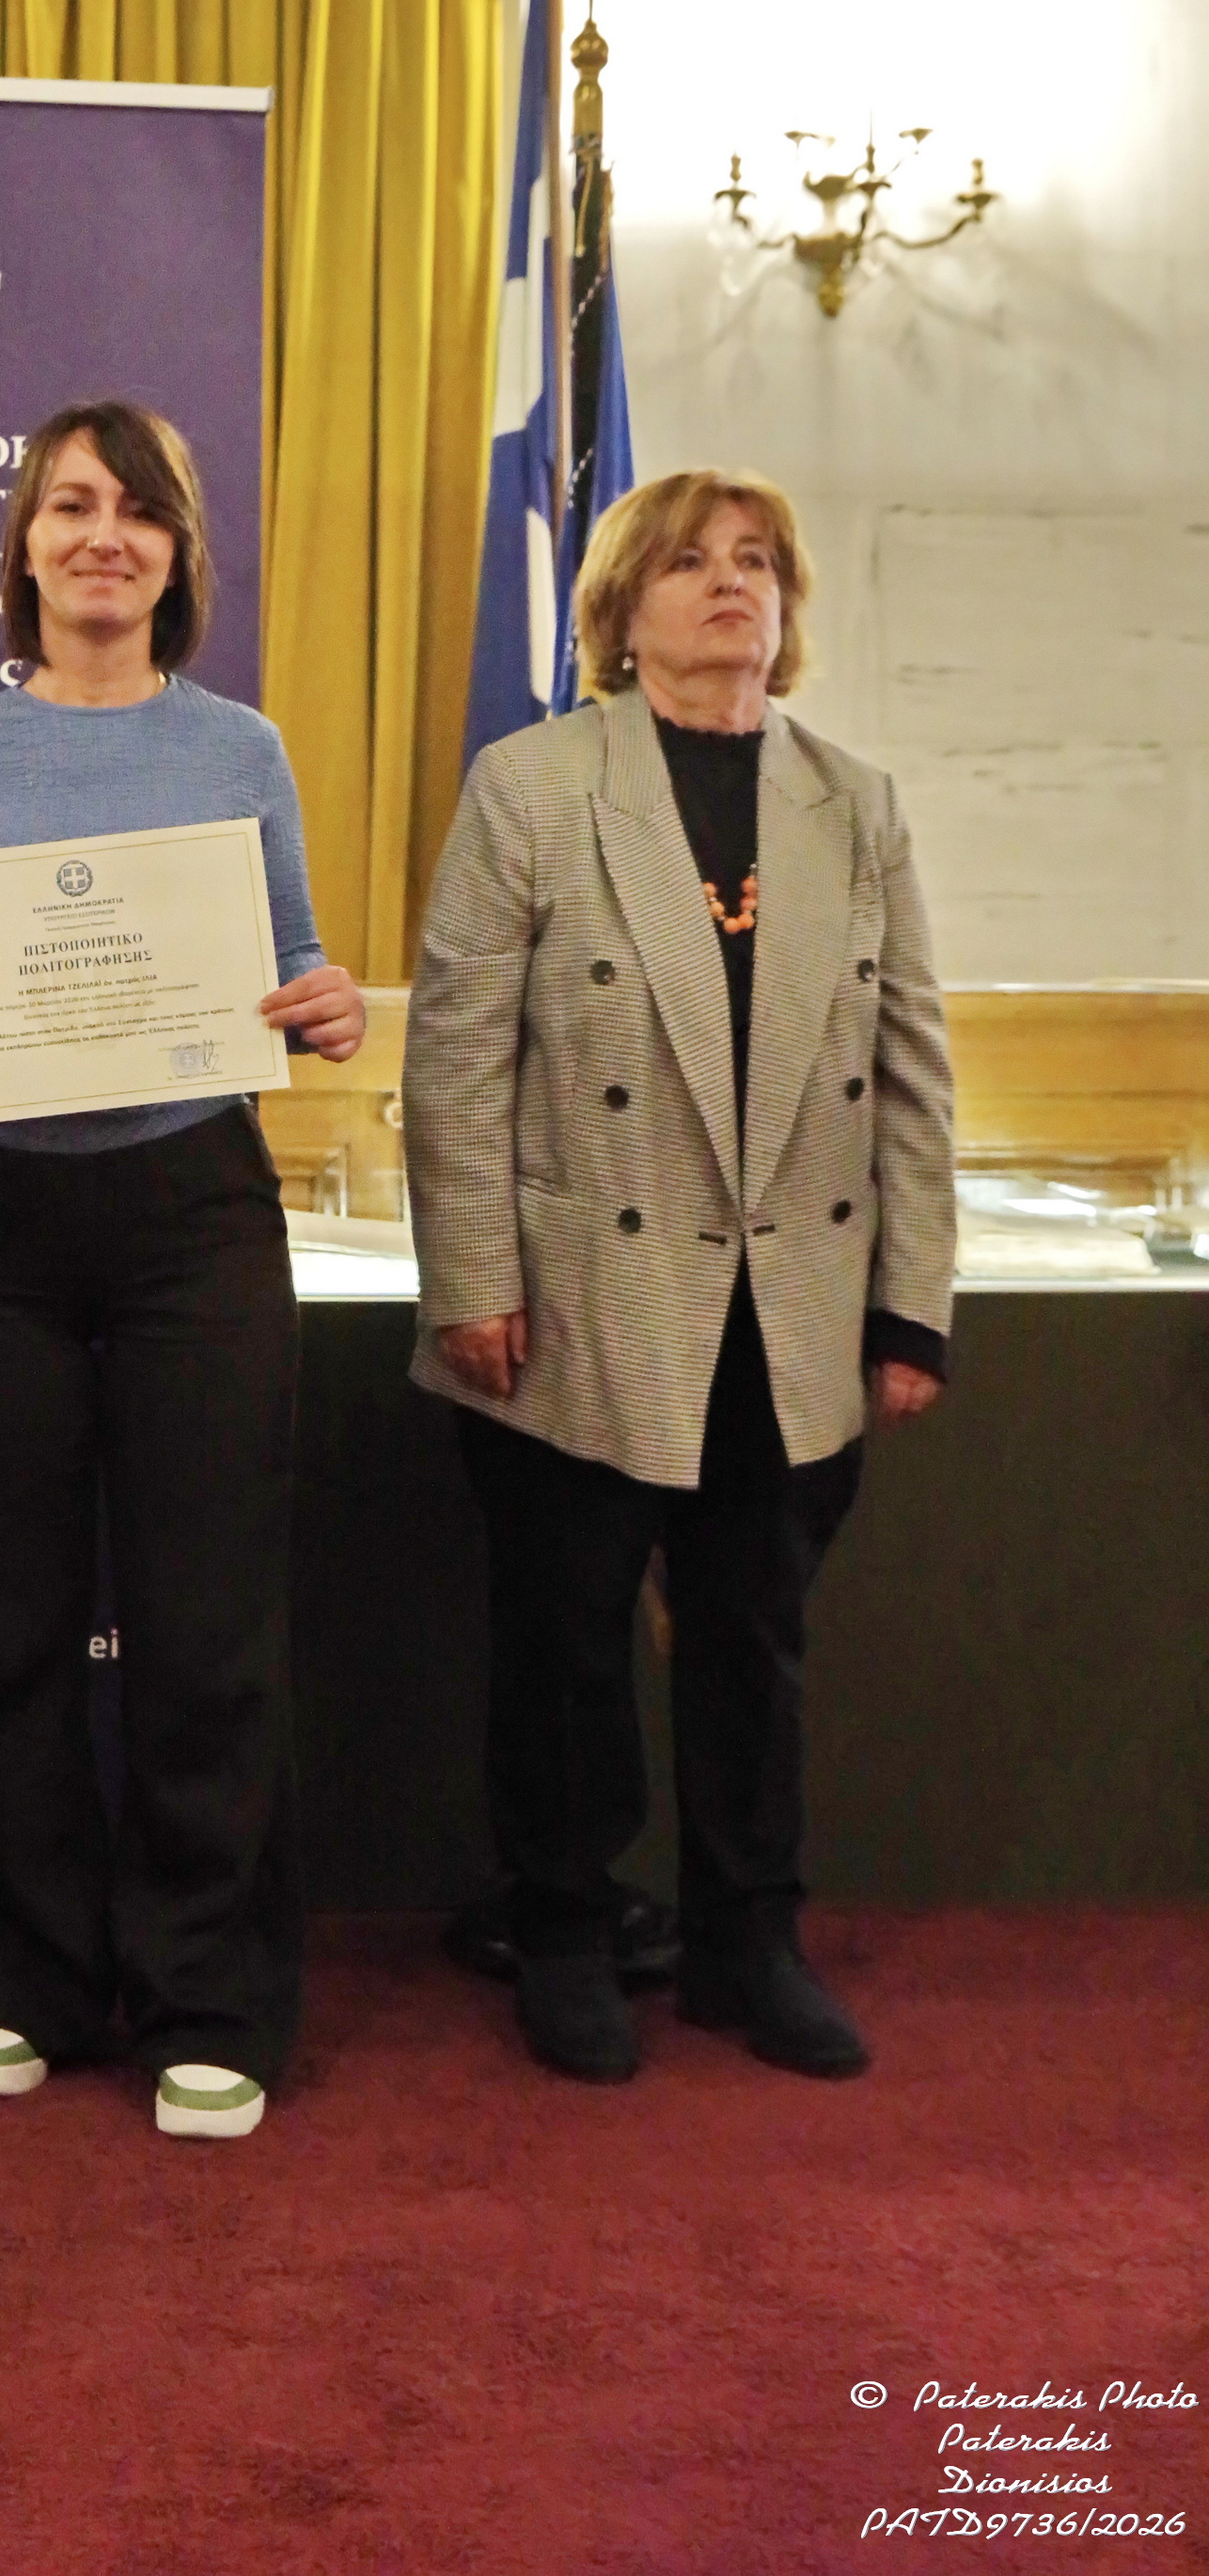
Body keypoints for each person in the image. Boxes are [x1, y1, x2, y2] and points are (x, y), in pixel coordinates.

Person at [0, 402, 366, 2141]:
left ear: (176, 555)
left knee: (209, 1624)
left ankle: (212, 1996)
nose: (102, 535)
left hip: (191, 1211)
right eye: (70, 505)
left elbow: (290, 962)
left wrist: (327, 1003)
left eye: (138, 510)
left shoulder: (240, 749)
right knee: (11, 1626)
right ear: (25, 546)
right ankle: (23, 1981)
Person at [403, 469, 954, 2085]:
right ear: (619, 613)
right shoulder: (534, 785)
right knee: (565, 1645)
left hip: (788, 1306)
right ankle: (564, 1932)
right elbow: (454, 1058)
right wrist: (469, 1281)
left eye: (756, 562)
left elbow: (910, 1072)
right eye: (691, 562)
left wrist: (910, 1303)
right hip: (577, 1293)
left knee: (751, 1641)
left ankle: (745, 1946)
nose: (730, 584)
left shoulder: (853, 803)